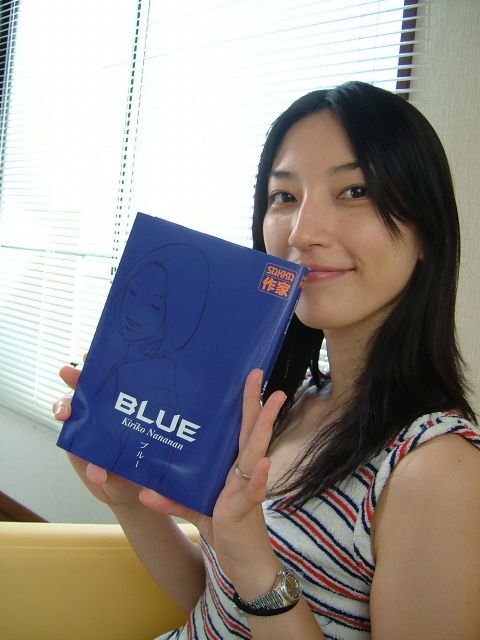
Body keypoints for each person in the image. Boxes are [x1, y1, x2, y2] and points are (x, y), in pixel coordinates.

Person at [54, 81, 480, 640]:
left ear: (427, 231)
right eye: (284, 197)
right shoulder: (291, 404)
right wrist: (129, 500)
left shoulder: (437, 471)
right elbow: (217, 606)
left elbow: (252, 584)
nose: (302, 232)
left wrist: (257, 564)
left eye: (355, 190)